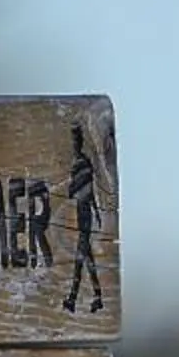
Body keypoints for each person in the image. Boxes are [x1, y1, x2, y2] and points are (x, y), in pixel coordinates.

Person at [61, 123, 106, 314]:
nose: (73, 145)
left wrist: (73, 187)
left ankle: (73, 298)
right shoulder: (84, 163)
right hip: (84, 212)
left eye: (75, 141)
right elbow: (88, 189)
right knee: (87, 257)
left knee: (81, 258)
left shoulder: (80, 163)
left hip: (84, 212)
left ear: (78, 142)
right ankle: (96, 296)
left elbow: (75, 190)